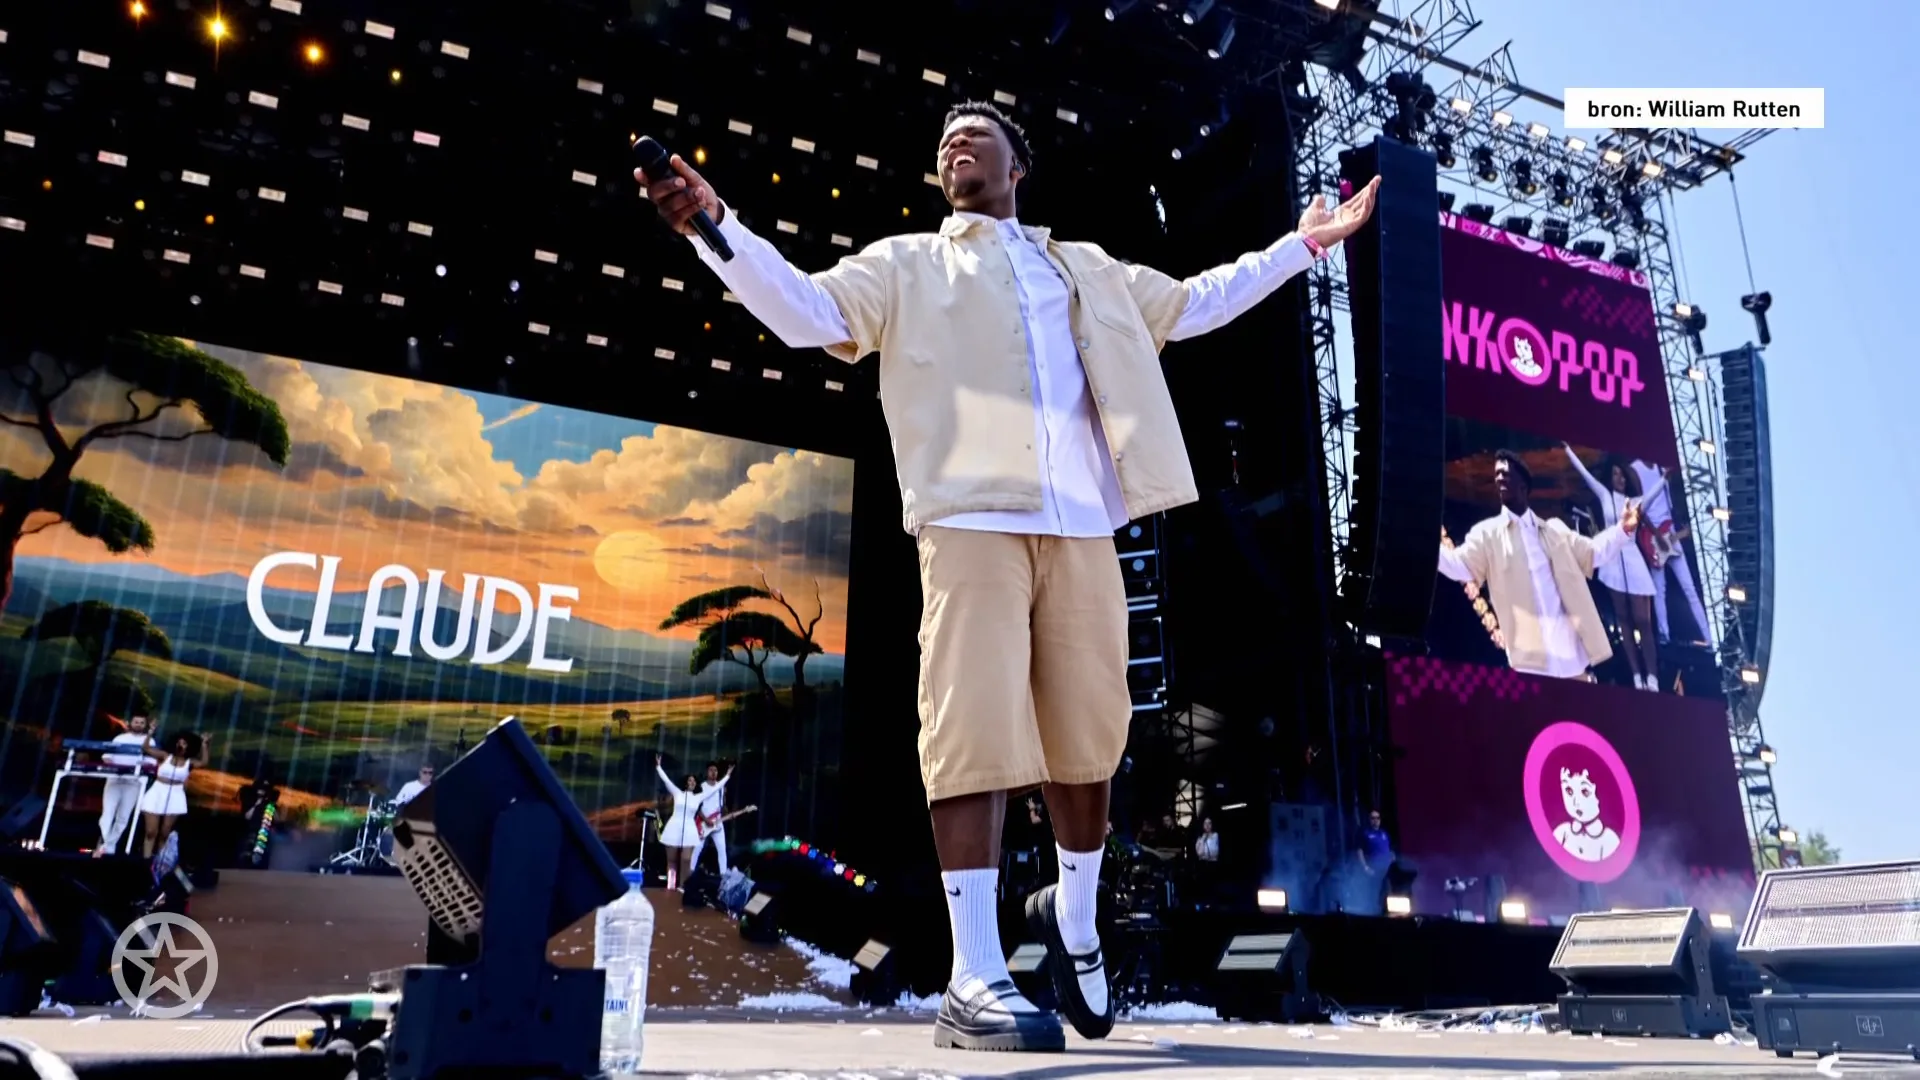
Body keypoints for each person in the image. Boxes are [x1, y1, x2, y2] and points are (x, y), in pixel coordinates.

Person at [639, 99, 1379, 1053]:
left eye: (975, 133)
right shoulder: (907, 264)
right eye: (943, 137)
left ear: (1017, 163)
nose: (954, 140)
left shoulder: (1089, 269)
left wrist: (1300, 246)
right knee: (972, 736)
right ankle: (973, 976)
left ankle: (1074, 921)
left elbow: (1198, 302)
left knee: (1088, 744)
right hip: (968, 522)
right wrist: (714, 226)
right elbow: (805, 313)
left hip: (1081, 526)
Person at [1438, 451, 1641, 680]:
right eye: (1497, 475)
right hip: (1530, 668)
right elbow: (1459, 566)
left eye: (1505, 473)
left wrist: (1623, 530)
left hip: (1573, 663)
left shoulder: (1555, 531)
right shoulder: (1488, 535)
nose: (1499, 479)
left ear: (1523, 483)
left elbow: (1593, 553)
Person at [1564, 446, 1663, 691]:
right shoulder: (1605, 496)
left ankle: (1653, 677)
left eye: (1622, 475)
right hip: (1612, 561)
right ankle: (1637, 677)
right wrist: (1567, 449)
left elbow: (1650, 497)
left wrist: (1664, 478)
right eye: (1615, 474)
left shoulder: (1635, 501)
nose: (1618, 479)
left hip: (1633, 560)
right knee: (1624, 621)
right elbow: (1585, 474)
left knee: (1643, 621)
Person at [1629, 458, 1712, 647]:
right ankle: (1664, 634)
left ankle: (1709, 638)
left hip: (1670, 530)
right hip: (1654, 535)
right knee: (1660, 589)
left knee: (1689, 588)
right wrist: (1656, 534)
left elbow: (1668, 503)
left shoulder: (1660, 467)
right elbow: (1639, 508)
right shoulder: (1635, 469)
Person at [137, 731, 210, 858]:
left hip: (175, 794)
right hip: (157, 791)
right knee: (150, 831)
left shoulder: (189, 762)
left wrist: (204, 745)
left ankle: (160, 861)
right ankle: (146, 860)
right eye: (179, 742)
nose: (181, 745)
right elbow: (146, 748)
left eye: (184, 743)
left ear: (189, 747)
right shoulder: (165, 756)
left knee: (165, 832)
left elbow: (204, 762)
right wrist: (150, 733)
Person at [96, 714, 153, 857]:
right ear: (130, 723)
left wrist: (137, 767)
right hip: (115, 779)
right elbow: (107, 757)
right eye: (136, 722)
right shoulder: (120, 739)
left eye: (141, 722)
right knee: (107, 813)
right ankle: (106, 845)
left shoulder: (149, 741)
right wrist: (117, 767)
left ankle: (109, 846)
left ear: (145, 725)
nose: (138, 724)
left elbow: (152, 762)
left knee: (123, 817)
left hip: (133, 782)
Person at [653, 755, 705, 891]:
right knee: (671, 861)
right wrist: (658, 767)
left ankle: (682, 888)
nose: (692, 782)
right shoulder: (677, 793)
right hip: (674, 827)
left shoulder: (698, 797)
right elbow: (666, 781)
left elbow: (716, 788)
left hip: (689, 829)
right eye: (690, 780)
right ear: (686, 783)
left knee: (686, 860)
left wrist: (727, 776)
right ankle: (670, 886)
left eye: (694, 781)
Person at [694, 761, 734, 876]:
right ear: (707, 772)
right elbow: (697, 807)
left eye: (715, 771)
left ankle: (723, 877)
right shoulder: (701, 787)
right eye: (711, 770)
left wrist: (728, 814)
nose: (713, 772)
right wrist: (705, 819)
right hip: (703, 822)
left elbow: (722, 806)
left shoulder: (721, 787)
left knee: (722, 851)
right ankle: (689, 875)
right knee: (697, 850)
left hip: (717, 823)